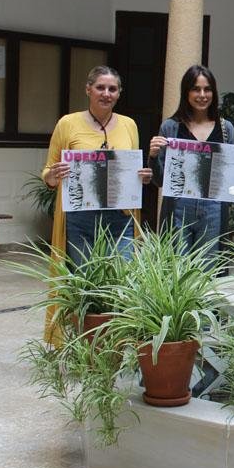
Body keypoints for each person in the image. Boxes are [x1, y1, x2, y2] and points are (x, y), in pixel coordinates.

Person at [40, 65, 152, 342]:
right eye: (100, 88)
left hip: (120, 219)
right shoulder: (68, 123)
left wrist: (142, 176)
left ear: (119, 93)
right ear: (88, 89)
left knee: (120, 283)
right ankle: (86, 346)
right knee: (86, 285)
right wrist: (53, 176)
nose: (106, 93)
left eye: (112, 89)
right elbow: (47, 172)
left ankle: (113, 345)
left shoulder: (129, 125)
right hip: (81, 220)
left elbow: (133, 169)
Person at [148, 65, 234, 263]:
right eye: (196, 89)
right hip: (178, 207)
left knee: (208, 270)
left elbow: (229, 179)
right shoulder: (171, 127)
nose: (202, 95)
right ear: (186, 92)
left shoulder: (226, 129)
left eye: (207, 89)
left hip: (214, 208)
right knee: (176, 270)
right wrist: (153, 156)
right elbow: (159, 179)